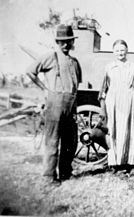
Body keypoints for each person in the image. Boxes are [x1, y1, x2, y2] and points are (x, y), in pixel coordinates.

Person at [26, 24, 82, 185]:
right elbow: (30, 70)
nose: (65, 45)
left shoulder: (75, 62)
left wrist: (75, 109)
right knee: (52, 141)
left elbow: (76, 87)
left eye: (68, 41)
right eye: (61, 42)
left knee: (70, 141)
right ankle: (48, 176)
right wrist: (45, 89)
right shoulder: (50, 56)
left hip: (70, 104)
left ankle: (65, 172)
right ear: (57, 42)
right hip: (54, 104)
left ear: (72, 42)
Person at [98, 39, 134, 172]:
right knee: (114, 131)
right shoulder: (109, 67)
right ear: (113, 52)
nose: (120, 53)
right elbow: (104, 88)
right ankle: (115, 163)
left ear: (127, 51)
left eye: (122, 50)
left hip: (131, 102)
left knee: (130, 132)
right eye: (117, 50)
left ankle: (130, 163)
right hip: (113, 103)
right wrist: (103, 107)